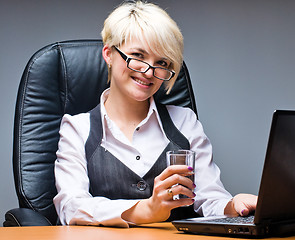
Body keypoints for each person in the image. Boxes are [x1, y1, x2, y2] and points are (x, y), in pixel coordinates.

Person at [53, 0, 257, 227]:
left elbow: (209, 198)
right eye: (138, 56)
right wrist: (147, 209)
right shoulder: (77, 128)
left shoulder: (184, 122)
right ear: (109, 54)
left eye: (161, 62)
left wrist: (234, 206)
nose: (149, 71)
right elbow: (71, 206)